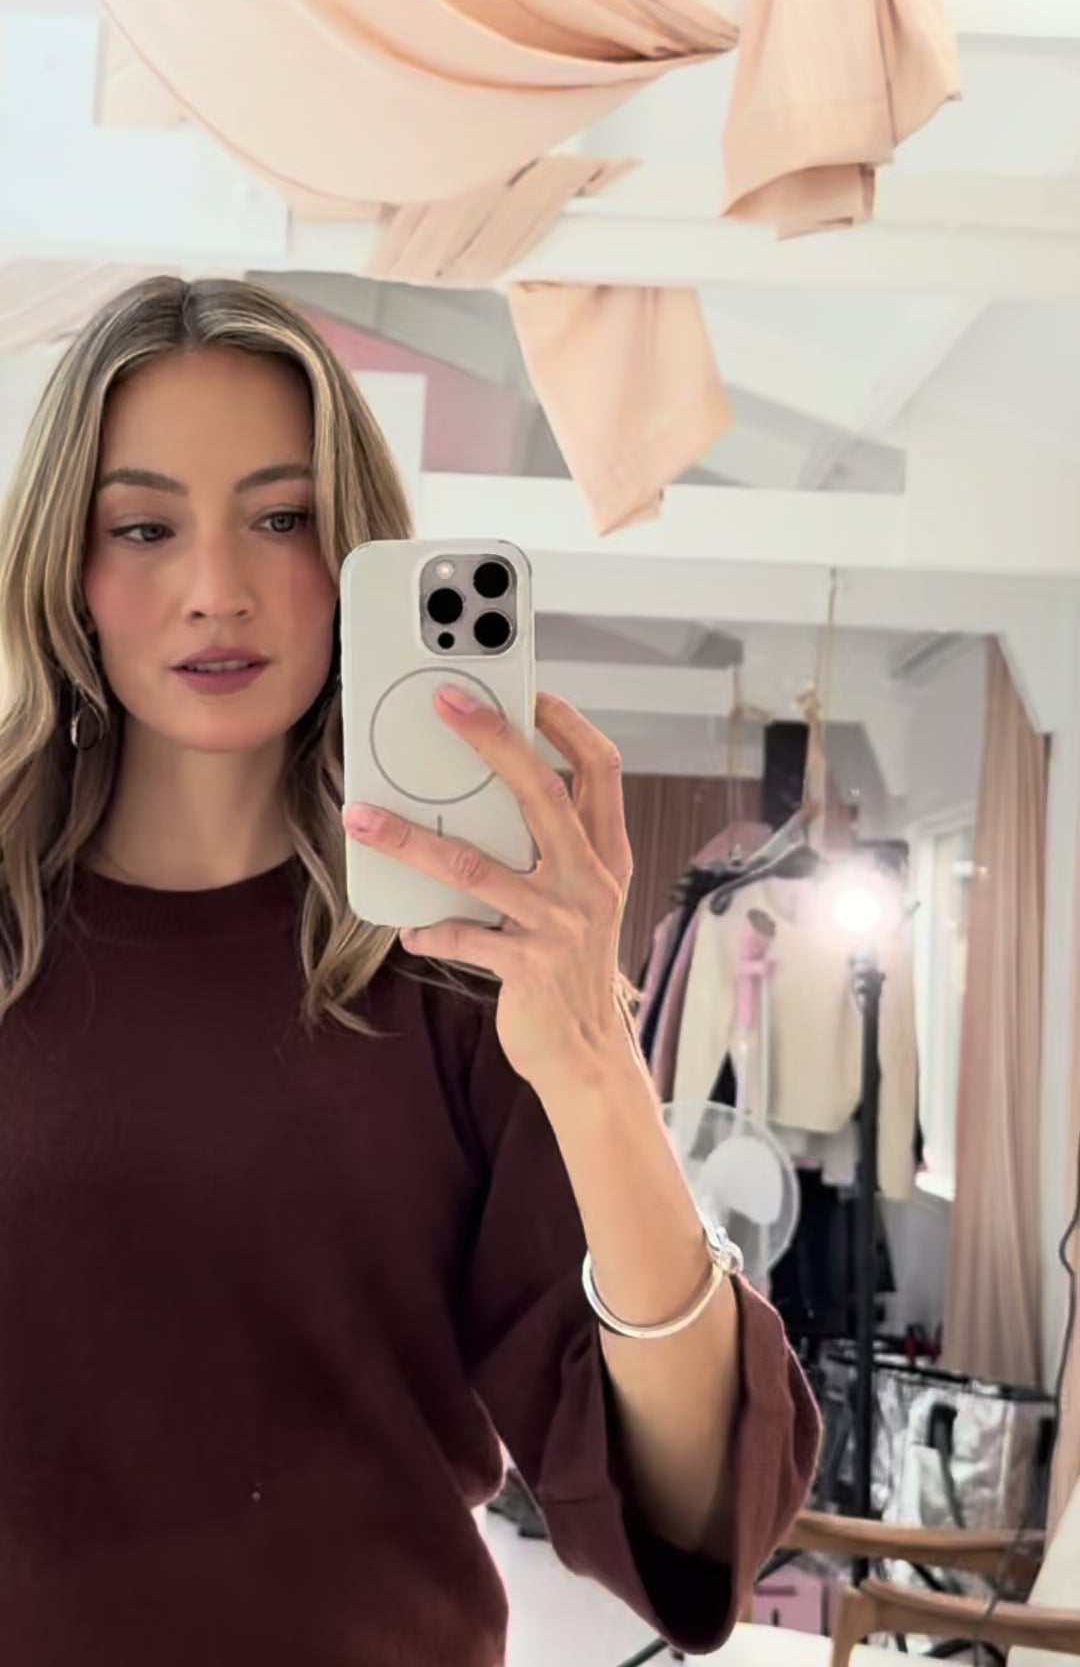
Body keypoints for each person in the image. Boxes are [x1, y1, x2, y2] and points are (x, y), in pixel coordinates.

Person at [0, 275, 818, 1665]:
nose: (217, 590)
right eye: (144, 528)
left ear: (358, 561)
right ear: (67, 572)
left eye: (283, 519)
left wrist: (593, 1062)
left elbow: (692, 1522)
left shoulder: (460, 970)